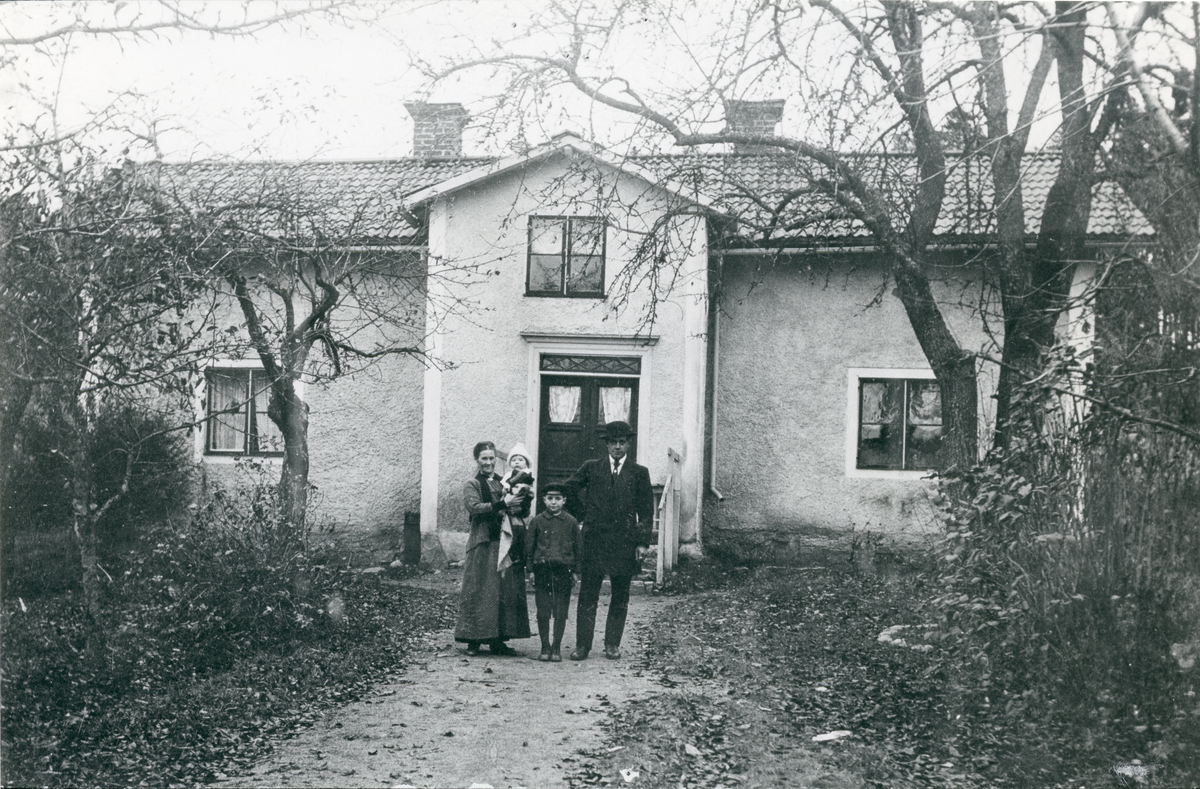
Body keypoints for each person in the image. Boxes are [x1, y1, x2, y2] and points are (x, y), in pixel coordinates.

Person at [564, 420, 653, 660]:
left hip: (624, 541)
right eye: (613, 442)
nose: (617, 446)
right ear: (607, 444)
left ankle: (612, 644)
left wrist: (642, 542)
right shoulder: (592, 467)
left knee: (620, 594)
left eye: (622, 442)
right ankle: (583, 645)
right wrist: (583, 514)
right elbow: (568, 489)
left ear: (629, 444)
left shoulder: (639, 472)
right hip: (594, 539)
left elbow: (646, 510)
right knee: (588, 594)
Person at [454, 440, 532, 656]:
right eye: (484, 458)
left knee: (502, 592)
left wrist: (522, 504)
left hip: (504, 541)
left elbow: (520, 510)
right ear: (477, 460)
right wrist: (503, 504)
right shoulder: (472, 484)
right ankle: (473, 640)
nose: (488, 462)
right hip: (483, 542)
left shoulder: (504, 481)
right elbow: (475, 508)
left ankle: (498, 640)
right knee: (480, 590)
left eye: (491, 458)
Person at [524, 482, 581, 662]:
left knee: (560, 611)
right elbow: (529, 547)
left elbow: (578, 548)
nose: (553, 502)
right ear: (544, 500)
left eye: (557, 498)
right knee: (543, 611)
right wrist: (530, 570)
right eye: (550, 498)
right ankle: (544, 646)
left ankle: (556, 647)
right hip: (542, 571)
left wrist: (576, 571)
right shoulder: (537, 521)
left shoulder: (571, 522)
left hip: (563, 571)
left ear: (564, 500)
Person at [497, 444, 535, 572]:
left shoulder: (526, 473)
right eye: (513, 460)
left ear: (526, 463)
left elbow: (521, 483)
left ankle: (518, 556)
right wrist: (505, 490)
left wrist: (509, 485)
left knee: (519, 529)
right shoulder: (508, 474)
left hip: (521, 501)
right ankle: (511, 555)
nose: (516, 462)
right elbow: (504, 487)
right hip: (510, 503)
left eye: (520, 460)